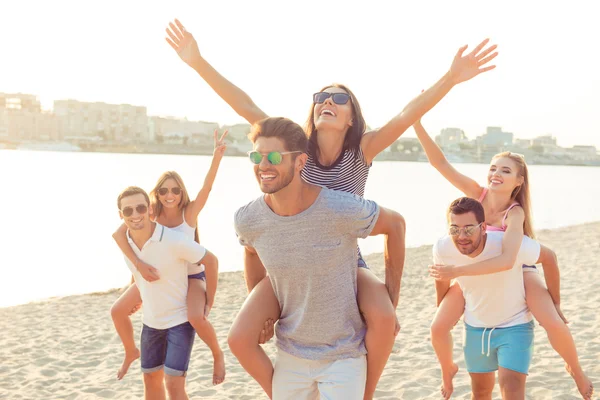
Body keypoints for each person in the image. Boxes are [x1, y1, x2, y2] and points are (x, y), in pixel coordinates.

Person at [165, 18, 497, 398]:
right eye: (321, 96)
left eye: (339, 98)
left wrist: (451, 78)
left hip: (343, 260)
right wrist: (197, 61)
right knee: (241, 335)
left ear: (351, 116)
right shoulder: (292, 145)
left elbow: (407, 114)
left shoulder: (363, 150)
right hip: (288, 259)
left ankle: (365, 391)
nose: (327, 101)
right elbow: (246, 106)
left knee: (385, 317)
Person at [415, 121, 593, 400]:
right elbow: (439, 163)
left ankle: (575, 368)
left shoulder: (515, 213)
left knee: (555, 324)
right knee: (438, 324)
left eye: (505, 171)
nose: (496, 174)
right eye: (493, 168)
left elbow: (508, 259)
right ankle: (447, 367)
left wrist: (555, 301)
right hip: (474, 273)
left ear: (518, 181)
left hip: (518, 270)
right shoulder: (477, 195)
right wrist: (416, 121)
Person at [234, 117, 405, 399]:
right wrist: (262, 308)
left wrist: (391, 295)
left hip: (343, 355)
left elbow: (395, 225)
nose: (263, 165)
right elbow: (251, 250)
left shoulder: (338, 208)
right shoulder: (249, 219)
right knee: (238, 338)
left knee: (383, 317)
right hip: (291, 354)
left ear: (300, 162)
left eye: (274, 156)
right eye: (257, 156)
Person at [109, 130, 228, 385]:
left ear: (182, 191)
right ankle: (131, 351)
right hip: (159, 277)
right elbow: (122, 236)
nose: (170, 194)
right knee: (118, 310)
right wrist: (136, 275)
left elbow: (207, 187)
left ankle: (217, 353)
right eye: (164, 190)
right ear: (157, 194)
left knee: (196, 317)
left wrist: (216, 157)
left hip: (191, 276)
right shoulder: (151, 215)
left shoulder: (189, 213)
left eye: (175, 189)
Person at [116, 186, 218, 399]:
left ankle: (218, 355)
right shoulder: (125, 241)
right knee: (151, 382)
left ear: (149, 210)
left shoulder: (173, 240)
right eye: (128, 211)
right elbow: (135, 271)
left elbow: (211, 261)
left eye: (140, 208)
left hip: (179, 322)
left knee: (173, 384)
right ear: (121, 215)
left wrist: (209, 301)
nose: (135, 215)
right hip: (151, 324)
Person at [434, 197, 541, 399]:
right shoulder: (442, 248)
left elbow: (549, 257)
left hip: (515, 326)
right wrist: (443, 309)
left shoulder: (508, 244)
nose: (462, 236)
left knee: (511, 388)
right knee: (481, 391)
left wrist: (554, 304)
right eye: (454, 229)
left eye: (469, 228)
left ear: (483, 227)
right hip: (476, 328)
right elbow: (442, 279)